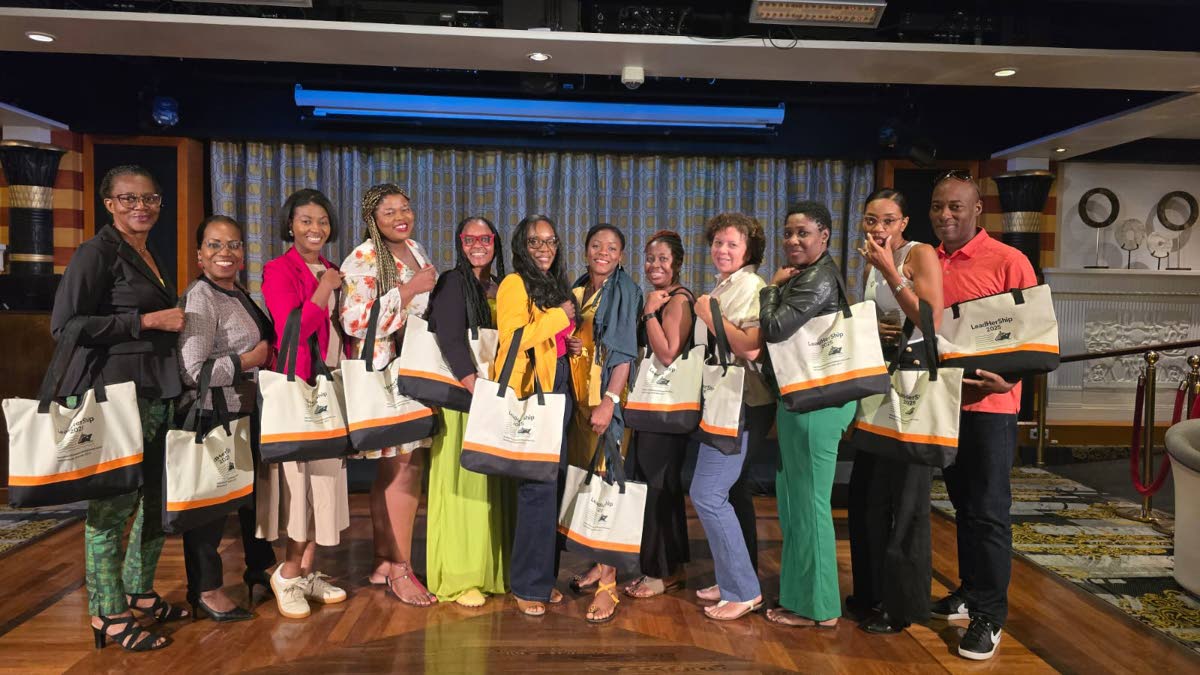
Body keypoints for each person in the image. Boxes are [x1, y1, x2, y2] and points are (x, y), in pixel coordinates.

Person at [51, 165, 185, 651]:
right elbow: (66, 326)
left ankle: (140, 592)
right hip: (116, 396)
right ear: (109, 203)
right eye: (129, 199)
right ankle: (107, 612)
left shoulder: (147, 251)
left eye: (149, 199)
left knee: (153, 501)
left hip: (155, 391)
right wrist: (144, 319)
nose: (141, 207)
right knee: (111, 508)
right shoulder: (95, 252)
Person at [928, 170, 1037, 661]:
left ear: (977, 211)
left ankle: (990, 616)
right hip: (942, 403)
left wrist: (1010, 382)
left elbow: (1034, 337)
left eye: (955, 207)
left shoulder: (1009, 260)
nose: (945, 215)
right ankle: (970, 590)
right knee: (962, 507)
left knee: (990, 511)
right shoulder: (925, 261)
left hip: (991, 408)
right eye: (937, 207)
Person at [847, 189, 944, 635]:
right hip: (876, 384)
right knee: (867, 495)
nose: (878, 229)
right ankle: (869, 593)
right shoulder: (869, 258)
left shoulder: (919, 254)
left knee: (905, 501)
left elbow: (930, 320)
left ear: (904, 222)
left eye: (888, 220)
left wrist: (889, 270)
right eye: (870, 220)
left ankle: (901, 605)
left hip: (912, 386)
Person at [339, 183, 439, 607]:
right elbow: (353, 321)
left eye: (405, 208)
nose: (400, 217)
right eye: (389, 212)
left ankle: (384, 560)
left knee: (392, 470)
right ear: (372, 221)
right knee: (404, 471)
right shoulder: (361, 258)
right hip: (388, 375)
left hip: (415, 367)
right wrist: (410, 290)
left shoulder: (414, 248)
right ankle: (401, 570)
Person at [758, 202, 857, 629]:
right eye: (788, 233)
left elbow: (775, 328)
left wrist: (769, 290)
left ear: (824, 237)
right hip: (803, 399)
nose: (793, 240)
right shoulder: (811, 276)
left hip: (819, 401)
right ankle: (801, 597)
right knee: (794, 501)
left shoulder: (816, 278)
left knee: (811, 505)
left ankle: (821, 608)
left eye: (802, 233)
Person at [176, 215, 278, 622]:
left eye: (233, 245)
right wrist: (245, 361)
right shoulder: (201, 296)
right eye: (215, 245)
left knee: (252, 502)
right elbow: (191, 370)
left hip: (245, 412)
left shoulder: (237, 294)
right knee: (210, 509)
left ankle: (260, 568)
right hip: (213, 415)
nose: (225, 253)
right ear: (200, 254)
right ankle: (206, 589)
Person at [258, 188, 351, 620]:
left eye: (322, 221)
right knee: (299, 487)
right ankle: (287, 573)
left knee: (323, 485)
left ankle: (307, 570)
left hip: (331, 384)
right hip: (299, 385)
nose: (316, 229)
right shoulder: (278, 269)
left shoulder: (333, 267)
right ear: (290, 225)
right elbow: (289, 325)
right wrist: (322, 290)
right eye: (306, 221)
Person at [425, 216, 514, 607]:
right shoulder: (452, 282)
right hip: (465, 400)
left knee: (496, 487)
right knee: (465, 487)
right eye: (469, 238)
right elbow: (447, 336)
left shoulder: (501, 286)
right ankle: (461, 577)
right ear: (460, 242)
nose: (478, 244)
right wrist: (472, 383)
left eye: (485, 238)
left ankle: (494, 570)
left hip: (499, 397)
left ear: (495, 242)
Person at [691, 212, 774, 621]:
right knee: (732, 492)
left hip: (743, 404)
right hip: (724, 399)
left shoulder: (752, 286)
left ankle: (743, 590)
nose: (722, 250)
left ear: (749, 250)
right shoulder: (727, 286)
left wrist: (708, 314)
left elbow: (752, 348)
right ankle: (732, 580)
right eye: (718, 242)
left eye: (732, 244)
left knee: (707, 493)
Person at [495, 214, 576, 617]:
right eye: (534, 242)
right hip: (532, 394)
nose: (544, 249)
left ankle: (542, 580)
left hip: (559, 389)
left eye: (550, 241)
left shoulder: (553, 286)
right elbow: (512, 339)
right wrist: (561, 317)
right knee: (536, 490)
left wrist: (567, 344)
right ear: (520, 247)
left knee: (552, 490)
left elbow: (544, 339)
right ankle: (527, 584)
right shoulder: (514, 283)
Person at [563, 224, 642, 624]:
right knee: (588, 487)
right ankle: (598, 565)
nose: (603, 252)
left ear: (621, 255)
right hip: (579, 403)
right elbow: (586, 340)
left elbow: (625, 352)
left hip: (604, 406)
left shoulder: (624, 291)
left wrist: (610, 402)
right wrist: (575, 343)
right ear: (586, 248)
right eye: (596, 245)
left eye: (612, 247)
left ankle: (610, 585)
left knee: (608, 487)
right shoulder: (579, 289)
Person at [623, 231, 695, 601]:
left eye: (663, 258)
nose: (655, 265)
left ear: (677, 263)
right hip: (655, 409)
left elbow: (667, 353)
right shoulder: (666, 297)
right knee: (661, 491)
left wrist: (650, 311)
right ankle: (672, 567)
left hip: (666, 411)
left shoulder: (678, 301)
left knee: (656, 491)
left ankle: (657, 573)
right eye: (650, 258)